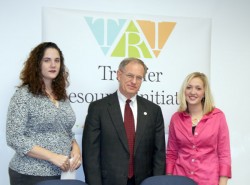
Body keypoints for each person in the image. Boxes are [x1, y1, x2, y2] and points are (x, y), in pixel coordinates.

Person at [6, 42, 82, 185]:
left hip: (63, 173)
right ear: (37, 64)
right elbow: (14, 137)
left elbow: (65, 131)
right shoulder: (24, 95)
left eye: (57, 60)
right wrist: (52, 157)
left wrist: (75, 148)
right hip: (30, 174)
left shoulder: (61, 96)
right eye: (47, 60)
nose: (53, 65)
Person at [82, 57, 166, 185]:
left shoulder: (153, 111)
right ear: (119, 75)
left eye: (139, 78)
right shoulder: (98, 108)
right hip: (109, 181)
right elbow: (90, 155)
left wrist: (157, 182)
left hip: (143, 181)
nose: (134, 81)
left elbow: (159, 154)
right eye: (130, 75)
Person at [166, 72, 231, 185]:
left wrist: (223, 182)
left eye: (198, 88)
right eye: (189, 87)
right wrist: (169, 179)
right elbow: (172, 153)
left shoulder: (218, 117)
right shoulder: (176, 119)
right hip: (180, 179)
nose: (192, 92)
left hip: (209, 180)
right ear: (184, 91)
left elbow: (224, 154)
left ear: (204, 93)